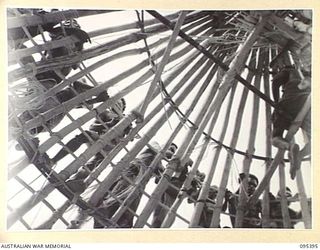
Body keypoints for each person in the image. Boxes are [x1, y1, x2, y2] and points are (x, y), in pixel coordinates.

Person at [93, 142, 178, 228]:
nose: (171, 151)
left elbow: (160, 178)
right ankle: (106, 211)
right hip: (133, 171)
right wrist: (174, 158)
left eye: (173, 151)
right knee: (120, 194)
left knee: (131, 202)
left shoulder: (159, 164)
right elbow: (161, 152)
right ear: (164, 146)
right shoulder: (155, 146)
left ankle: (121, 220)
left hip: (140, 182)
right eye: (170, 148)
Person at [10, 80, 110, 139]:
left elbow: (79, 101)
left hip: (54, 111)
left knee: (32, 118)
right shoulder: (77, 92)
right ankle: (23, 130)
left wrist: (97, 97)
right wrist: (96, 94)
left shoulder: (78, 98)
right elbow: (77, 84)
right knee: (32, 118)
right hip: (54, 112)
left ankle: (23, 129)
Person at [50, 98, 128, 165]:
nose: (115, 106)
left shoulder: (125, 120)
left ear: (122, 108)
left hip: (109, 144)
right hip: (97, 136)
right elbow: (93, 127)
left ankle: (76, 179)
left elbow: (126, 137)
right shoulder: (105, 113)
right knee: (84, 135)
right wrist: (109, 124)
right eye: (115, 103)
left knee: (100, 159)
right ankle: (54, 160)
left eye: (119, 104)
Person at [269, 54, 311, 180]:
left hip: (286, 107)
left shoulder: (288, 72)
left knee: (275, 138)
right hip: (305, 109)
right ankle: (300, 155)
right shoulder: (306, 78)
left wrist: (276, 102)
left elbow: (276, 83)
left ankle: (291, 147)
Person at [151, 160, 204, 228]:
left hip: (173, 199)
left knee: (166, 219)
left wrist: (200, 186)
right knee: (160, 218)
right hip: (167, 195)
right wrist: (198, 173)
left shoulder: (190, 185)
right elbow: (188, 161)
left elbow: (191, 199)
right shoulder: (175, 176)